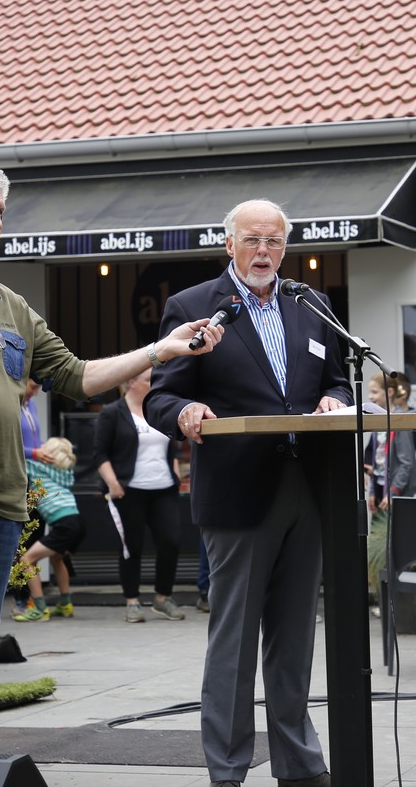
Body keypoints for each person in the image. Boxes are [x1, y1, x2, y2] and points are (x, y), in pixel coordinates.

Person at [0, 157, 225, 753]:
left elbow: (78, 377)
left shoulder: (10, 305)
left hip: (2, 510)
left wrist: (160, 350)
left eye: (0, 212)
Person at [145, 198, 350, 787]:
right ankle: (228, 769)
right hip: (238, 491)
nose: (264, 252)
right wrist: (185, 411)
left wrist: (335, 397)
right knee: (233, 641)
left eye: (275, 241)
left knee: (295, 639)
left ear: (286, 247)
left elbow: (337, 378)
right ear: (229, 244)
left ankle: (299, 765)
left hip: (307, 486)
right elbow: (160, 396)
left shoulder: (311, 303)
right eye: (253, 240)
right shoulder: (193, 307)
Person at [95, 367, 187, 623]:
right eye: (149, 379)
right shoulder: (112, 412)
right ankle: (132, 601)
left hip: (164, 488)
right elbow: (100, 454)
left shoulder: (159, 411)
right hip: (129, 490)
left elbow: (173, 448)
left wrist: (176, 474)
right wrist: (113, 484)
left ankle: (163, 598)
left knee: (171, 541)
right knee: (131, 546)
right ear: (131, 382)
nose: (154, 383)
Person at [11, 437, 84, 622]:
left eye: (44, 446)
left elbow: (16, 457)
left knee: (25, 560)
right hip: (77, 521)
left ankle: (39, 609)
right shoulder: (64, 472)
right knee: (57, 558)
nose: (40, 447)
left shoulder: (36, 468)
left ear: (48, 455)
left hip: (64, 526)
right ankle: (65, 604)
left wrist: (30, 453)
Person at [362, 371, 416, 513]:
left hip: (397, 492)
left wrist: (393, 492)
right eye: (370, 392)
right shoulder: (377, 419)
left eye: (374, 392)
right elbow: (377, 460)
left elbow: (406, 463)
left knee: (398, 527)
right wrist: (372, 492)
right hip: (380, 489)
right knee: (379, 527)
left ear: (389, 392)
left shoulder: (399, 421)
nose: (370, 396)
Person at [12, 376, 46, 616]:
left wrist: (46, 451)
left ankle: (34, 596)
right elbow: (9, 444)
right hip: (18, 480)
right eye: (33, 387)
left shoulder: (29, 403)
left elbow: (36, 440)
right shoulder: (11, 403)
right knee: (19, 541)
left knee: (35, 536)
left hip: (35, 479)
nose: (35, 393)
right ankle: (20, 597)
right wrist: (35, 453)